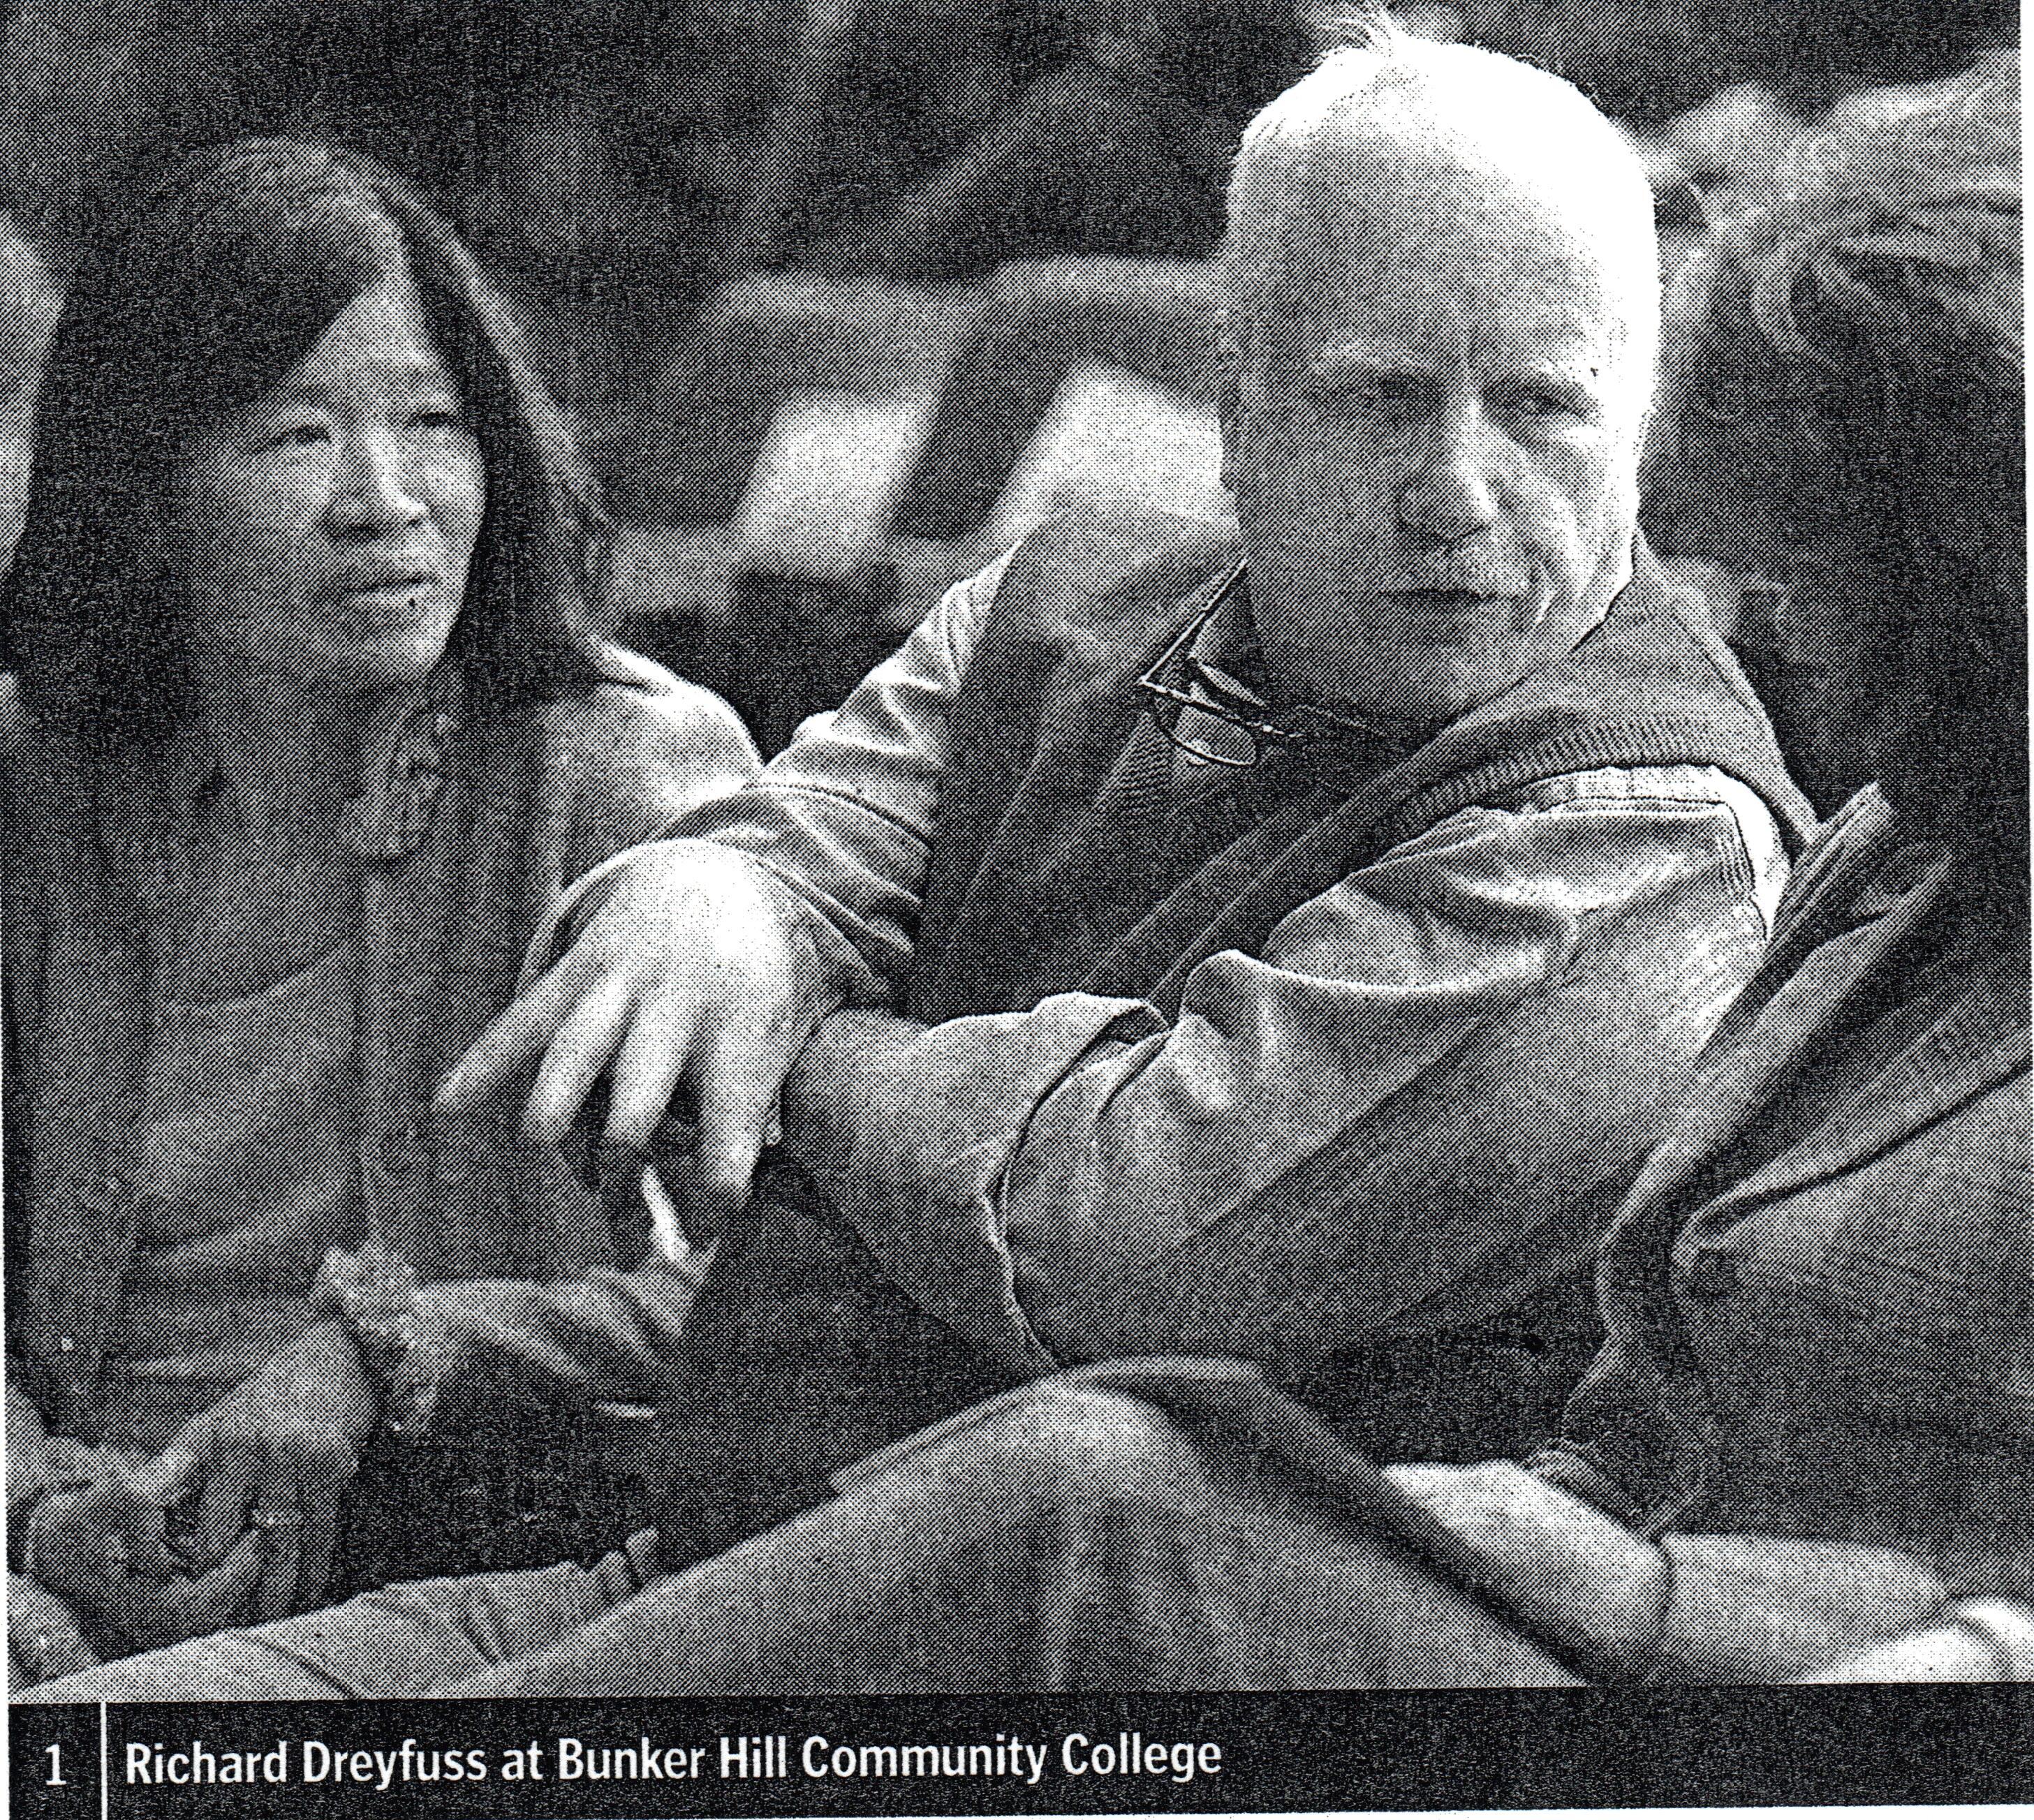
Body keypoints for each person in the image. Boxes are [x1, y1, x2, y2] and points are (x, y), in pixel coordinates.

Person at [19, 52, 2025, 1703]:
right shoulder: (1062, 608)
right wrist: (724, 901)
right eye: (1378, 398)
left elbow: (1117, 1238)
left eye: (1546, 407)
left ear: (1637, 427)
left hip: (1113, 1687)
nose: (1459, 488)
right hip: (716, 1539)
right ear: (1236, 417)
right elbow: (761, 860)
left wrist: (800, 1027)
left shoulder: (1644, 836)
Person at [2, 140, 758, 1687]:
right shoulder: (41, 791)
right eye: (298, 436)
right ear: (145, 502)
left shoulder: (619, 774)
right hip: (68, 1572)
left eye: (433, 422)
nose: (387, 501)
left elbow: (790, 1301)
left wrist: (378, 1356)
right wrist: (45, 1509)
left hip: (480, 1571)